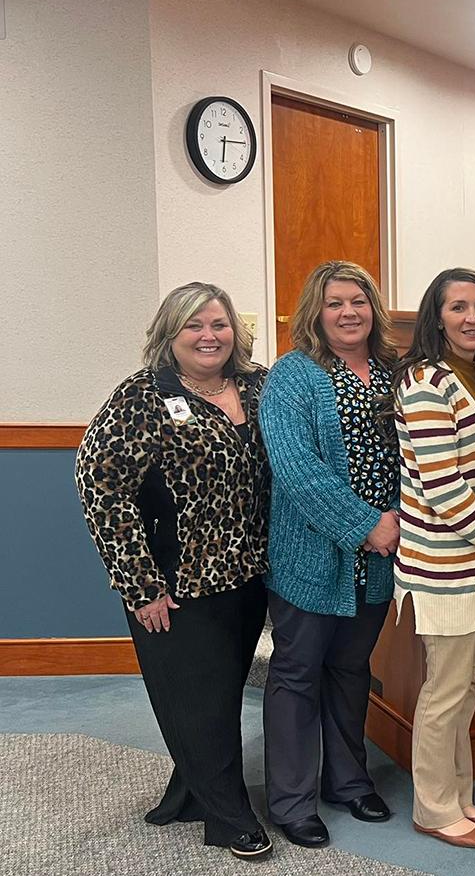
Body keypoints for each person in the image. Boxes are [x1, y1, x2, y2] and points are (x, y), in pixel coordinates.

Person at [76, 282, 272, 860]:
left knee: (218, 696)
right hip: (174, 584)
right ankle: (230, 818)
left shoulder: (259, 386)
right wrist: (141, 586)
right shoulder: (143, 396)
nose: (209, 336)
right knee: (202, 702)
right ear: (170, 333)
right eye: (195, 325)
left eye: (219, 324)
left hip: (248, 578)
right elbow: (101, 489)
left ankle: (190, 791)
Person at [258, 261, 401, 848]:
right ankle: (292, 801)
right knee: (296, 673)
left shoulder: (392, 371)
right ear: (315, 312)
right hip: (311, 557)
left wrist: (396, 524)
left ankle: (348, 781)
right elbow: (296, 468)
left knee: (350, 669)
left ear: (374, 309)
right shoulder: (293, 375)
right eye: (335, 302)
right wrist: (365, 525)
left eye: (358, 301)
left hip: (379, 559)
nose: (348, 312)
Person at [394, 268, 475, 849]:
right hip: (442, 565)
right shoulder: (425, 382)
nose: (473, 317)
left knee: (465, 687)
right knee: (443, 692)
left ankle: (460, 795)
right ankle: (432, 807)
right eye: (458, 307)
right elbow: (443, 487)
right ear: (437, 317)